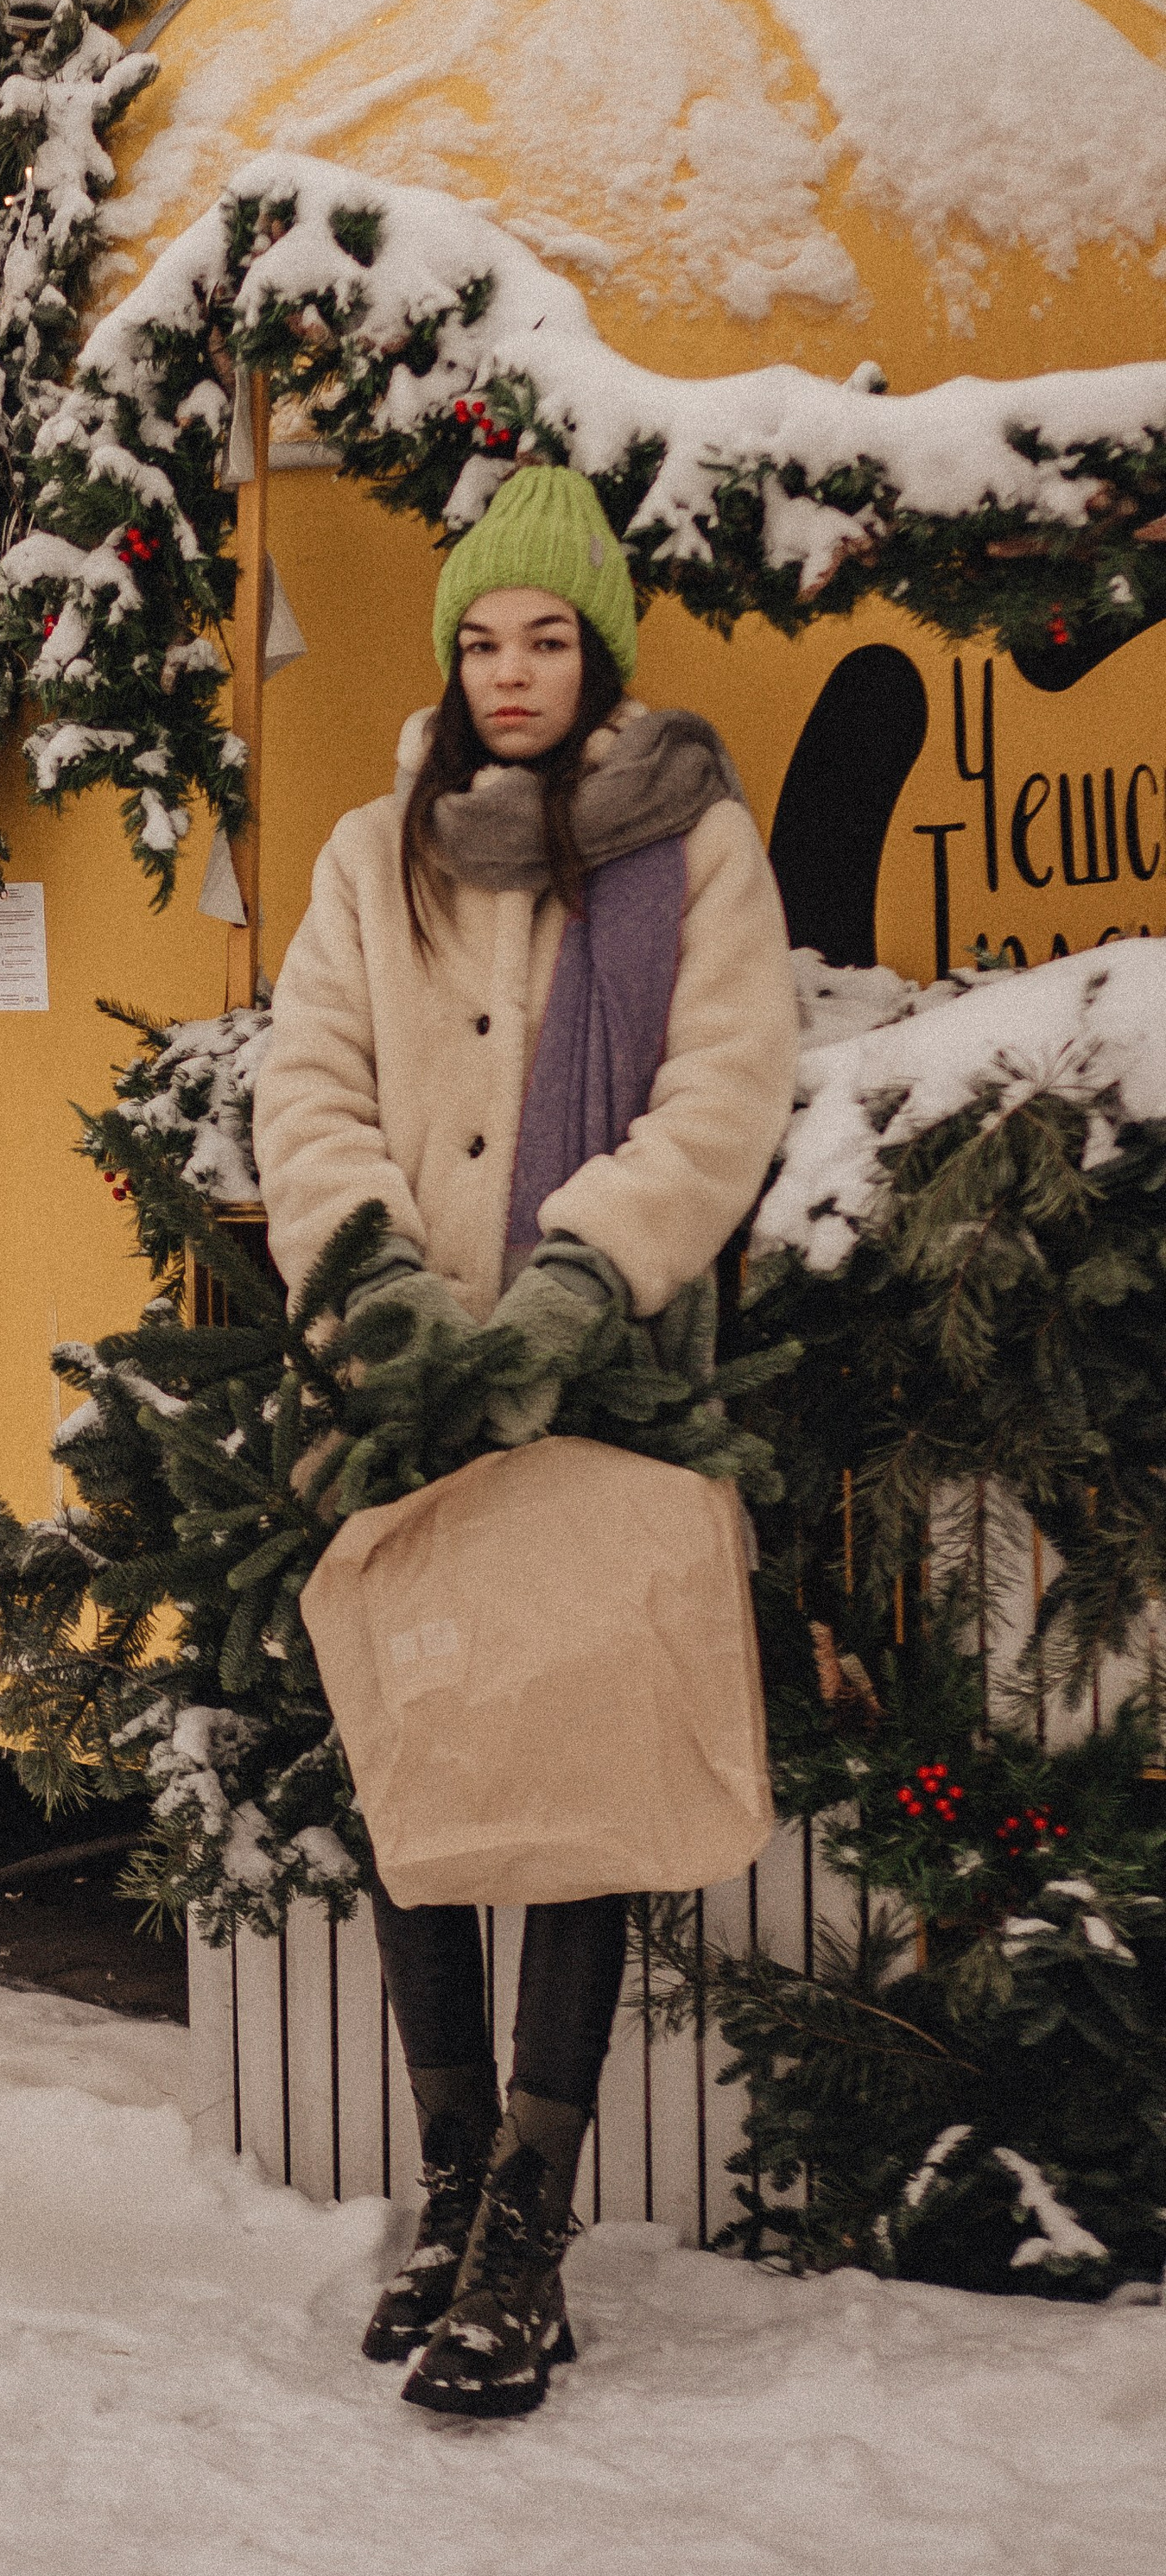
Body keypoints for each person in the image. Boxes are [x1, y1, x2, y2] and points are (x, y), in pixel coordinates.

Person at [251, 465, 797, 2421]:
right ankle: (444, 2178)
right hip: (405, 1381)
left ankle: (525, 2230)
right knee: (418, 1748)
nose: (507, 672)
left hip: (605, 1371)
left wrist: (586, 1275)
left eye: (542, 638)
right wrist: (373, 1284)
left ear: (598, 652)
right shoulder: (369, 852)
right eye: (479, 640)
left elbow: (726, 1085)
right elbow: (305, 1079)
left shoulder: (690, 847)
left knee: (568, 1770)